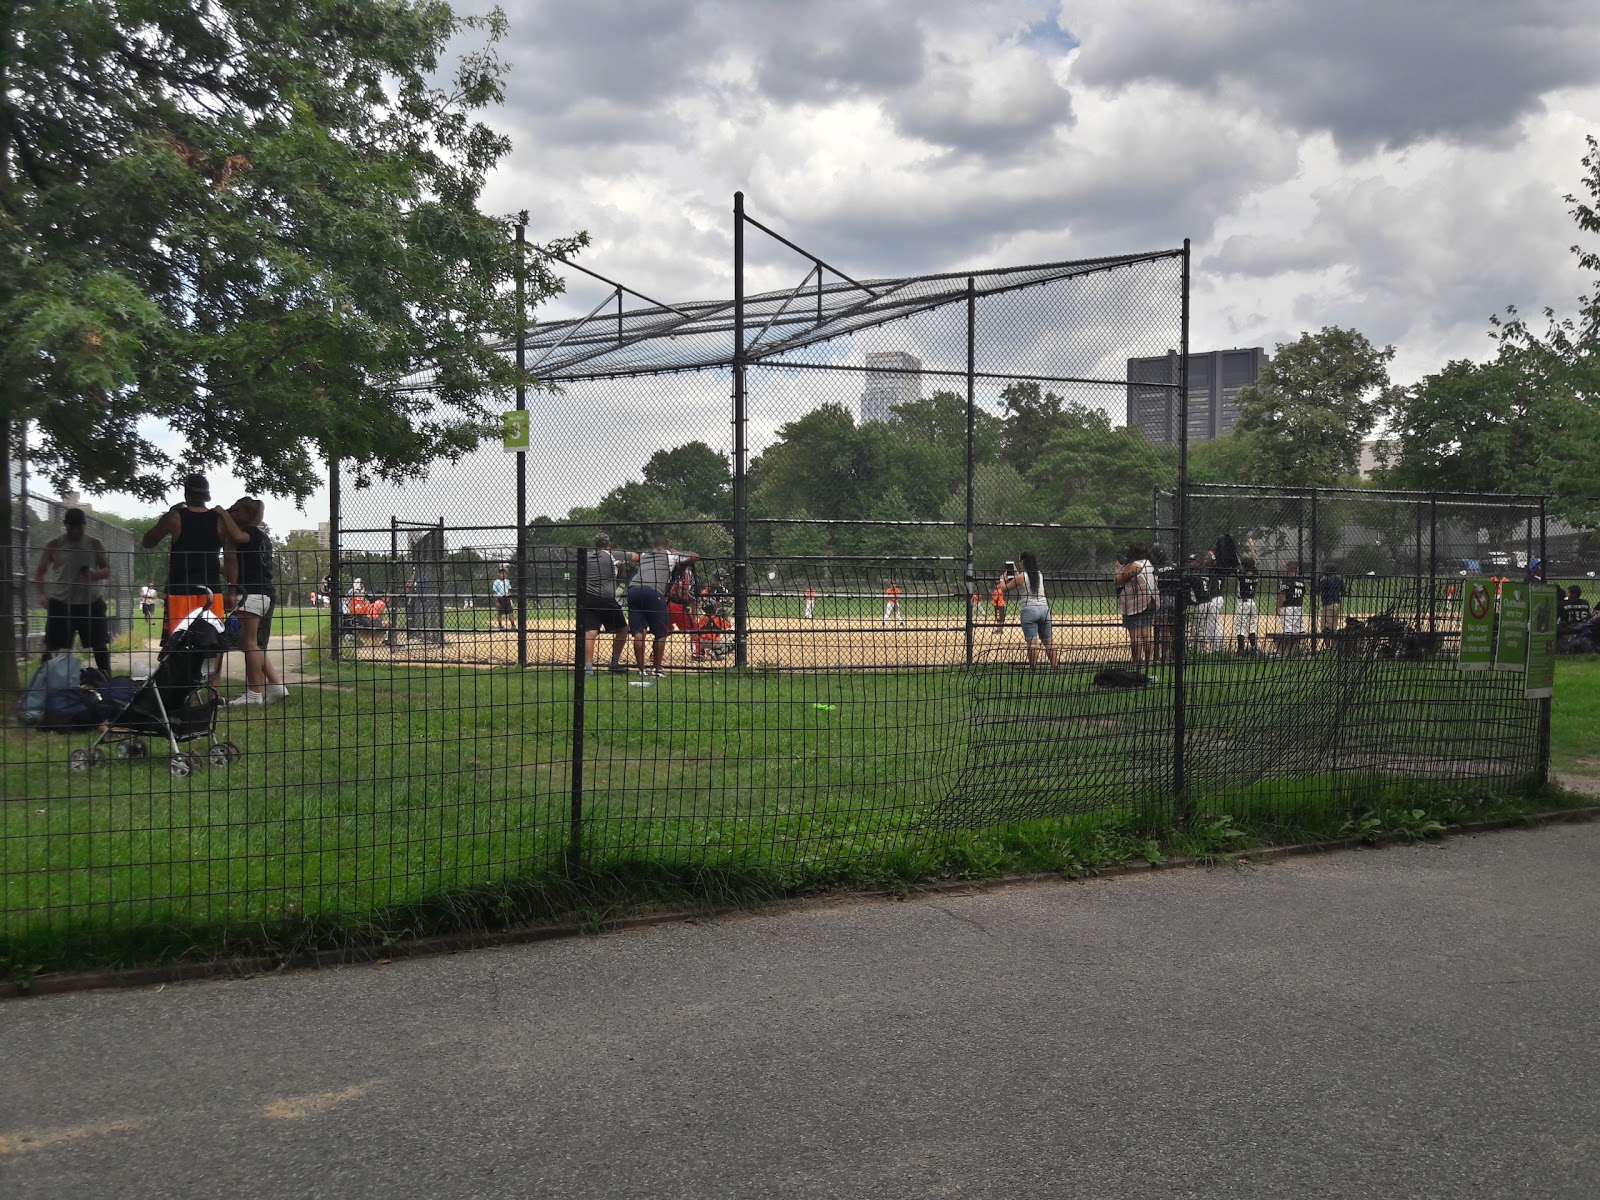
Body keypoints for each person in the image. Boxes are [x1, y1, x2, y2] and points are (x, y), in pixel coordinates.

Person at [140, 473, 247, 638]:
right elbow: (230, 558)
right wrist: (232, 590)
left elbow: (147, 541)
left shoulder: (175, 517)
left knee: (178, 642)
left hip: (180, 589)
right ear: (206, 495)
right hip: (211, 590)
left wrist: (168, 514)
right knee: (212, 640)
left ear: (186, 493)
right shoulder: (220, 520)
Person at [222, 497, 288, 706]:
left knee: (250, 644)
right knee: (252, 644)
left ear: (248, 516)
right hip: (263, 593)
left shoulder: (249, 533)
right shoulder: (262, 537)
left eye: (236, 511)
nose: (232, 514)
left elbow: (236, 535)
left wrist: (221, 513)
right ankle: (276, 686)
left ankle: (254, 694)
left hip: (251, 593)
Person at [33, 507, 113, 676]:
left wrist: (94, 574)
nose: (75, 531)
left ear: (85, 525)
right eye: (72, 528)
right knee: (52, 646)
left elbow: (106, 569)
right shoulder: (54, 545)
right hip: (62, 603)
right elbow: (40, 571)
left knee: (99, 645)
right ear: (65, 525)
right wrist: (41, 594)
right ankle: (43, 683)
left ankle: (107, 682)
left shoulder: (94, 544)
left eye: (79, 528)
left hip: (90, 602)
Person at [628, 535, 700, 677]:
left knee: (639, 631)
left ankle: (642, 670)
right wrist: (674, 552)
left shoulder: (645, 555)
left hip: (633, 589)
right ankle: (657, 669)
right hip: (653, 591)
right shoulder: (669, 555)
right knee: (661, 632)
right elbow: (695, 556)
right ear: (667, 546)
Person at [580, 534, 637, 677]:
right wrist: (622, 564)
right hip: (605, 598)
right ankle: (614, 663)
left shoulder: (586, 556)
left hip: (587, 598)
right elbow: (636, 556)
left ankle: (588, 669)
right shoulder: (612, 554)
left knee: (590, 632)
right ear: (609, 544)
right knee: (623, 629)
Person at [998, 551, 1060, 668]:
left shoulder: (1020, 577)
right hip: (1044, 609)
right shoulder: (1039, 574)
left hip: (1029, 610)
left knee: (1032, 642)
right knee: (1048, 641)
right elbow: (1026, 579)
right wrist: (1017, 574)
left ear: (1022, 563)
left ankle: (1033, 668)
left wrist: (1002, 578)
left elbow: (1004, 589)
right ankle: (1055, 666)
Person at [1113, 541, 1157, 671]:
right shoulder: (1148, 563)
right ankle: (1148, 663)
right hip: (1150, 600)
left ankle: (1136, 664)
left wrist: (1118, 569)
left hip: (1136, 602)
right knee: (1147, 634)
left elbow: (1118, 581)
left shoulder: (1135, 566)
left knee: (1136, 636)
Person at [693, 569, 732, 659]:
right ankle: (716, 649)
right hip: (717, 612)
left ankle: (702, 650)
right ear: (723, 578)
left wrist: (707, 602)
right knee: (722, 627)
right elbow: (728, 601)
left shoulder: (710, 587)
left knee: (702, 628)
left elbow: (703, 595)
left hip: (707, 610)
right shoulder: (722, 589)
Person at [1278, 561, 1307, 655]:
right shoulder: (1301, 580)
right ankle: (1302, 650)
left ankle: (1288, 652)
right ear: (1296, 570)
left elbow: (1283, 596)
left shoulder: (1286, 580)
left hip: (1288, 607)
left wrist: (1278, 607)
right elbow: (1303, 593)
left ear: (1288, 570)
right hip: (1299, 606)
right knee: (1299, 629)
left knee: (1288, 630)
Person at [1234, 555, 1260, 655]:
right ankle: (1254, 648)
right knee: (1251, 625)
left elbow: (1238, 568)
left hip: (1243, 603)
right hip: (1252, 603)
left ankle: (1241, 649)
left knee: (1240, 626)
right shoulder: (1256, 574)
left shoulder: (1241, 574)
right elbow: (1254, 565)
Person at [1318, 562, 1346, 651]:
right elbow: (1344, 592)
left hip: (1328, 605)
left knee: (1326, 627)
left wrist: (1319, 578)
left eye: (1325, 570)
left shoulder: (1325, 580)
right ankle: (1334, 647)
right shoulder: (1339, 580)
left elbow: (1317, 589)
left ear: (1328, 571)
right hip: (1337, 603)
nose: (1323, 571)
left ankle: (1328, 647)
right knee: (1333, 627)